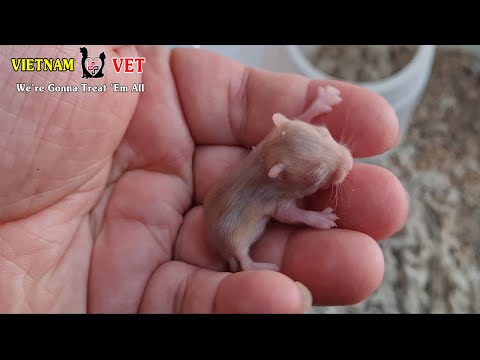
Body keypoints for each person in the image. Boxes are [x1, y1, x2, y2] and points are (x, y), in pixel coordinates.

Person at [0, 45, 409, 313]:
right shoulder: (274, 185)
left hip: (216, 204)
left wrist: (317, 104)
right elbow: (283, 209)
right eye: (323, 170)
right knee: (238, 245)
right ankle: (243, 260)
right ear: (278, 177)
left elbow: (293, 130)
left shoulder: (277, 143)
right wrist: (314, 219)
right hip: (227, 230)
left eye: (327, 138)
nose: (344, 162)